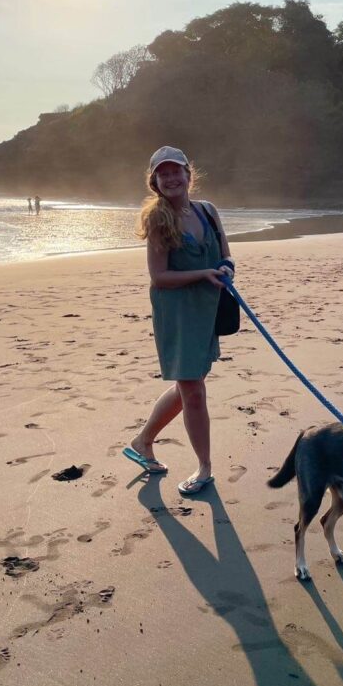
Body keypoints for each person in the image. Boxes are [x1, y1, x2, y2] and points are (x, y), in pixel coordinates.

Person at [124, 146, 235, 496]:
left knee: (190, 382)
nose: (171, 178)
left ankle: (142, 442)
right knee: (194, 391)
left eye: (176, 171)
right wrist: (205, 272)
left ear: (189, 174)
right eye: (163, 173)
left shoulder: (208, 211)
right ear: (154, 181)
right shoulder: (158, 219)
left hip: (207, 308)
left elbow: (227, 253)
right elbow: (159, 277)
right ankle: (204, 468)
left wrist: (227, 268)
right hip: (177, 312)